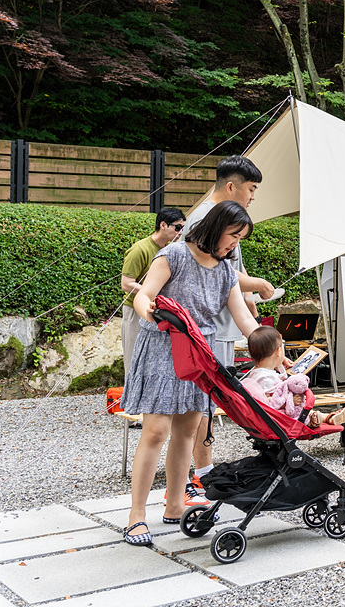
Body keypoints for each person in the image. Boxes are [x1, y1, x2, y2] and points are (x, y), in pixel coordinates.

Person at [121, 200, 260, 546]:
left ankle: (173, 503)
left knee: (187, 430)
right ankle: (136, 517)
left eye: (240, 238)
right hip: (163, 346)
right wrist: (149, 312)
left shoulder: (227, 270)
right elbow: (144, 295)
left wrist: (271, 349)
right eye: (233, 235)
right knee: (155, 430)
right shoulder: (174, 255)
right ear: (216, 227)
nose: (235, 244)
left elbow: (244, 319)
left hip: (200, 351)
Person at [181, 155, 277, 506]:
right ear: (231, 186)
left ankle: (200, 475)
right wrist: (257, 285)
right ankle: (199, 477)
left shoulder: (228, 220)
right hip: (204, 329)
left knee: (205, 404)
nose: (253, 197)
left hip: (221, 325)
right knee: (197, 407)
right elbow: (215, 269)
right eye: (251, 189)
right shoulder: (205, 219)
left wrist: (250, 301)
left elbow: (230, 276)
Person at [120, 208, 185, 387]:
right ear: (163, 225)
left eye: (183, 229)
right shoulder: (140, 249)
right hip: (135, 310)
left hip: (159, 313)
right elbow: (126, 283)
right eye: (178, 227)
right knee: (134, 358)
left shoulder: (172, 250)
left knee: (155, 361)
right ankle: (132, 407)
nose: (180, 233)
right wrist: (150, 291)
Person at [242, 326, 345, 427]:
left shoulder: (258, 373)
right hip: (279, 420)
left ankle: (325, 417)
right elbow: (266, 403)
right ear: (279, 351)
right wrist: (289, 402)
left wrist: (279, 365)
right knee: (305, 410)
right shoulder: (266, 378)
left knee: (307, 411)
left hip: (274, 418)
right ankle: (325, 417)